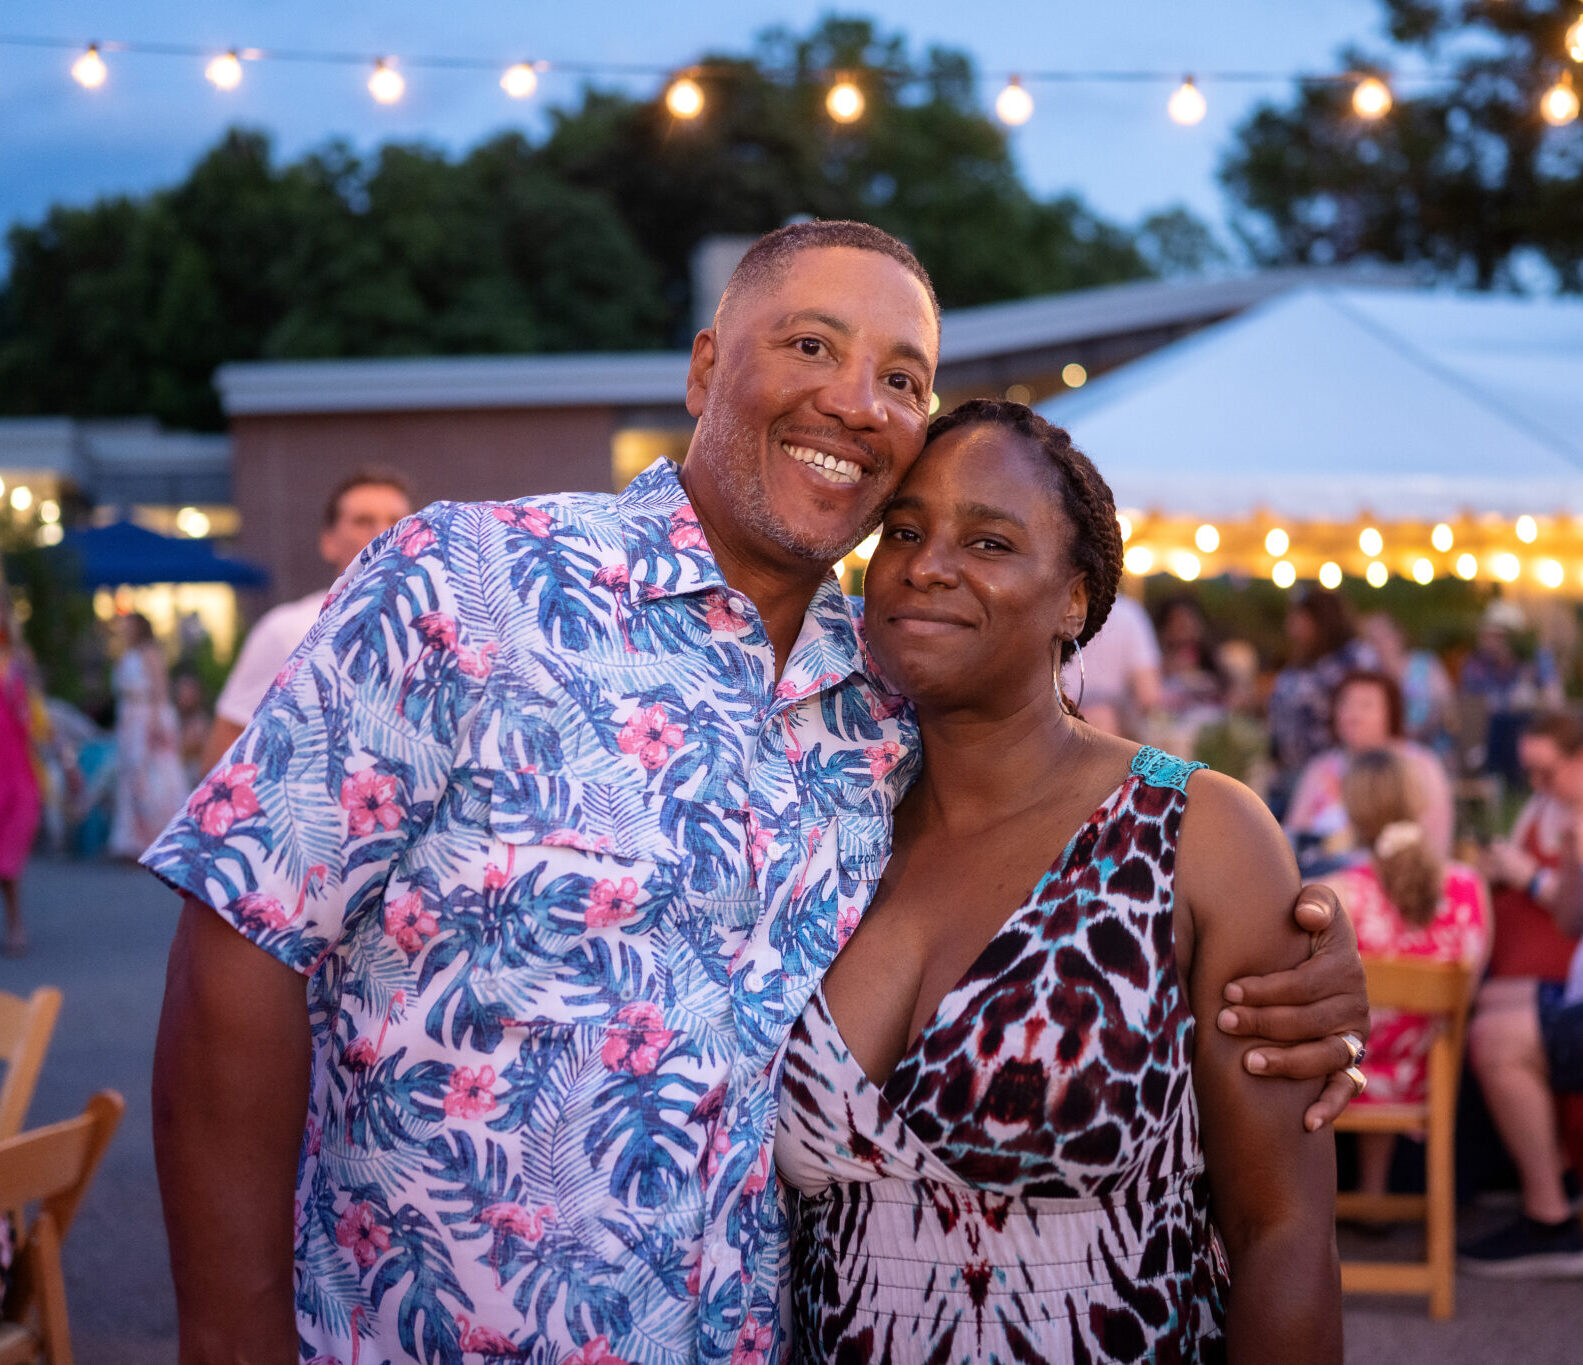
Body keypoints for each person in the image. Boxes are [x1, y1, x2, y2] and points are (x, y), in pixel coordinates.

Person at [144, 222, 1367, 1365]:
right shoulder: (466, 583)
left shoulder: (877, 713)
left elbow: (1072, 829)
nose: (854, 398)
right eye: (810, 346)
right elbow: (240, 948)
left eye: (901, 377)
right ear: (702, 369)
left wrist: (1293, 947)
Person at [778, 401, 1340, 1362]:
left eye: (988, 539)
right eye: (903, 531)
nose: (927, 563)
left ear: (1074, 599)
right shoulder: (815, 825)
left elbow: (1282, 1233)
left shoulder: (1196, 833)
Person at [1320, 748, 1490, 1203]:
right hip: (1430, 1075)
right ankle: (1373, 1195)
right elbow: (1468, 994)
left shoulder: (1339, 893)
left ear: (1353, 811)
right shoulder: (1468, 886)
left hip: (1341, 1076)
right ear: (1418, 804)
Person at [1462, 711, 1583, 1277]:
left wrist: (1530, 874)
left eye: (1546, 771)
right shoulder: (1556, 812)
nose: (1536, 784)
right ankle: (1555, 1177)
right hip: (1565, 982)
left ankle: (1550, 1217)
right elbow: (1570, 916)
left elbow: (1566, 921)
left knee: (1496, 1039)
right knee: (1487, 1010)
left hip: (1567, 983)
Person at [200, 467, 414, 771]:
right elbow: (224, 753)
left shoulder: (442, 632)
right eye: (363, 521)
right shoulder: (287, 630)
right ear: (328, 542)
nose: (383, 532)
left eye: (397, 521)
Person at [1284, 671, 1454, 875]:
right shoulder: (1320, 768)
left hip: (1399, 881)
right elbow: (1292, 837)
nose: (1354, 715)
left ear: (1391, 712)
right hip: (1323, 883)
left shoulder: (1419, 766)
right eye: (1346, 704)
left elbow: (1435, 841)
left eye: (1367, 705)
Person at [1267, 588, 1378, 818]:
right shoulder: (1302, 660)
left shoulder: (1353, 658)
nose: (1290, 625)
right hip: (1291, 771)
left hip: (1337, 773)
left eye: (1298, 618)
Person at [108, 613, 189, 861]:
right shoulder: (126, 654)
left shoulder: (149, 652)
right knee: (131, 777)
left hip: (145, 717)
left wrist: (156, 721)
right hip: (130, 718)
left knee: (153, 777)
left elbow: (160, 689)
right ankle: (133, 841)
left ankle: (160, 836)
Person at [0, 608, 42, 955]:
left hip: (15, 772)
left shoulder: (17, 669)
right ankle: (15, 925)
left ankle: (15, 924)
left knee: (9, 858)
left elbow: (35, 721)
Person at [1358, 611, 1455, 758]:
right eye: (1372, 639)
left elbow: (1446, 704)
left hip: (1433, 749)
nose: (1379, 644)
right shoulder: (1370, 675)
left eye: (1384, 636)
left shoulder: (1425, 664)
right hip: (1386, 755)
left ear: (1398, 635)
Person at [1068, 590, 1160, 737]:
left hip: (1060, 736)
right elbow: (1148, 695)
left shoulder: (1051, 614)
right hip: (1114, 736)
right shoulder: (1130, 614)